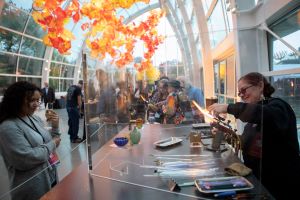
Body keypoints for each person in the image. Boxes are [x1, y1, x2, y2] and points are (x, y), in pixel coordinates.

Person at [207, 72, 300, 199]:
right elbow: (247, 142)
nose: (242, 96)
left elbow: (264, 114)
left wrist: (228, 107)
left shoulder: (278, 106)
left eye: (244, 90)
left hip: (281, 184)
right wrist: (226, 134)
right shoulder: (254, 115)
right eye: (239, 93)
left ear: (260, 85)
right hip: (258, 181)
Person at [0, 81, 61, 200]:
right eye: (32, 100)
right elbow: (26, 158)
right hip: (32, 188)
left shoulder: (33, 118)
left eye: (38, 100)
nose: (36, 104)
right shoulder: (7, 127)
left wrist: (55, 126)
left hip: (50, 177)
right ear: (17, 100)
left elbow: (50, 140)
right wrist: (52, 144)